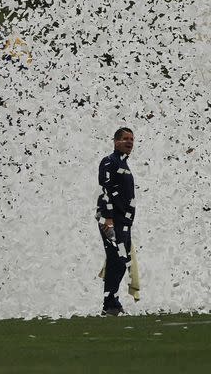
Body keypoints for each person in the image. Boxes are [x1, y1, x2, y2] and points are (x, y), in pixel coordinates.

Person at [96, 127, 135, 316]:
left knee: (121, 260)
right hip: (111, 220)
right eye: (125, 139)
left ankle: (111, 303)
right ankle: (110, 303)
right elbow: (105, 190)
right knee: (116, 260)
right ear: (115, 141)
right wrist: (108, 219)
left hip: (123, 221)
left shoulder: (124, 164)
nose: (129, 142)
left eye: (132, 139)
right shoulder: (109, 162)